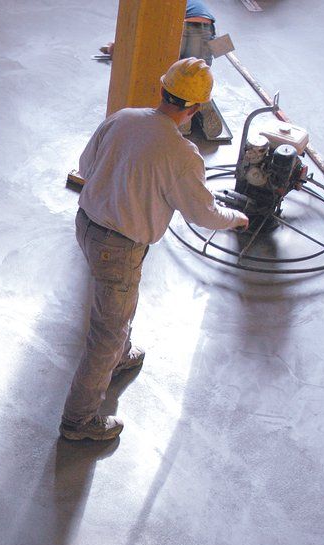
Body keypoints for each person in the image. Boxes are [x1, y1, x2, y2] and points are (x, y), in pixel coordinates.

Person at [59, 58, 249, 441]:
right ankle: (77, 421)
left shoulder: (122, 118)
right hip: (119, 247)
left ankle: (119, 357)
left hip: (86, 224)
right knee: (106, 333)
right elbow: (203, 213)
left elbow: (86, 165)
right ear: (197, 108)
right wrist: (236, 219)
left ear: (162, 89)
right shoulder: (183, 156)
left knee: (119, 302)